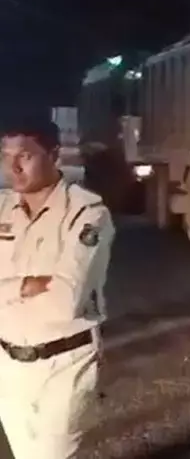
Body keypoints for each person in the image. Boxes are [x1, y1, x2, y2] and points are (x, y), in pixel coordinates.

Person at [0, 119, 116, 458]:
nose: (13, 167)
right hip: (7, 363)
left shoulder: (87, 212)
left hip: (63, 366)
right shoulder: (3, 208)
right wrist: (24, 285)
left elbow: (64, 303)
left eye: (24, 156)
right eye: (5, 156)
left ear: (54, 155)